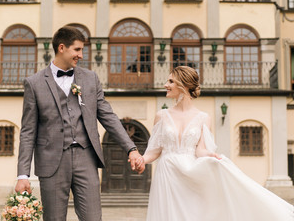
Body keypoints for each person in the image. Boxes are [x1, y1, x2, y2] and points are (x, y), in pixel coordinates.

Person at [15, 26, 144, 221]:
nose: (81, 55)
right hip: (52, 162)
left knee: (93, 218)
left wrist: (131, 149)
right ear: (61, 48)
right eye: (77, 50)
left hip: (86, 158)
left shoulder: (90, 79)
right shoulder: (34, 83)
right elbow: (28, 131)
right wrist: (22, 174)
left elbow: (108, 116)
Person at [135, 66, 294, 221]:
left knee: (192, 214)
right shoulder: (161, 116)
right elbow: (154, 151)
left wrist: (211, 155)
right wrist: (142, 159)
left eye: (170, 81)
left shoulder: (203, 117)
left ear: (183, 85)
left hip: (190, 174)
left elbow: (200, 150)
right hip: (166, 174)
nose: (165, 85)